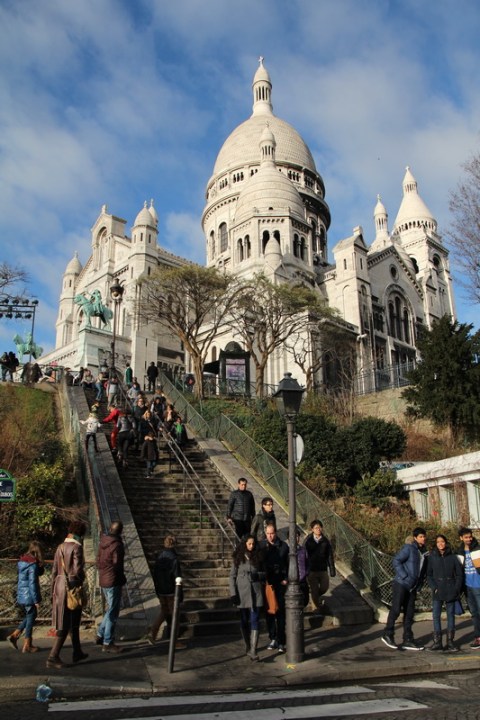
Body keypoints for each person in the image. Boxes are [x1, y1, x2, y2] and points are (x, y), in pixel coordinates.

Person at [47, 519, 89, 668]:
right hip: (71, 588)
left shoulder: (60, 547)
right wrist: (82, 579)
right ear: (81, 533)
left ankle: (77, 652)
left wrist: (53, 588)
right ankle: (53, 657)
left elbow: (53, 571)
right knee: (67, 623)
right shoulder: (77, 547)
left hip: (59, 586)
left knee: (71, 622)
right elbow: (77, 570)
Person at [382, 526, 428, 651]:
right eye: (420, 537)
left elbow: (422, 571)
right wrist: (404, 575)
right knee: (396, 609)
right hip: (401, 583)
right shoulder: (409, 548)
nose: (423, 539)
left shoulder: (423, 552)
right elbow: (396, 560)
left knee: (409, 613)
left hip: (412, 587)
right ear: (415, 538)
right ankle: (388, 633)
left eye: (424, 536)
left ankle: (408, 638)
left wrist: (418, 585)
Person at [229, 535, 265, 661]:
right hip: (242, 593)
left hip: (255, 592)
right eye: (249, 544)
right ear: (245, 544)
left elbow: (264, 573)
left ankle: (253, 650)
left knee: (255, 620)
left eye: (253, 544)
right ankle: (248, 645)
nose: (251, 546)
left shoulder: (258, 556)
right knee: (244, 620)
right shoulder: (238, 558)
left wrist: (258, 576)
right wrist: (233, 593)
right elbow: (232, 576)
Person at [426, 534, 463, 652]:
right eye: (438, 542)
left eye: (442, 541)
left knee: (450, 615)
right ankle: (437, 642)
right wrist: (434, 587)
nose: (440, 544)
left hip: (450, 589)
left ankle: (450, 642)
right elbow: (429, 575)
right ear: (435, 544)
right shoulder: (432, 557)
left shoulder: (452, 557)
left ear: (446, 543)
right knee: (436, 615)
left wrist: (456, 588)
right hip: (438, 589)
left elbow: (459, 574)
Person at [7, 541, 45, 653]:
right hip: (29, 595)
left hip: (22, 594)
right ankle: (27, 644)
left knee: (30, 616)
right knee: (31, 617)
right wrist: (36, 599)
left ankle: (15, 635)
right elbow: (32, 583)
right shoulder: (32, 564)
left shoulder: (22, 561)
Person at [96, 520, 126, 653]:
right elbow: (117, 565)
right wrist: (122, 578)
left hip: (103, 578)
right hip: (113, 580)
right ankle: (108, 642)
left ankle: (100, 634)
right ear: (121, 531)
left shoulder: (102, 542)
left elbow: (98, 560)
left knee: (110, 610)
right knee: (113, 612)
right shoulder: (117, 545)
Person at [259, 523, 288, 653]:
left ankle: (281, 640)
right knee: (270, 611)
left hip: (280, 582)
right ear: (265, 533)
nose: (270, 536)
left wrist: (286, 578)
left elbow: (288, 563)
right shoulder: (261, 546)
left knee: (281, 612)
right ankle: (273, 637)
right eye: (268, 533)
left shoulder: (283, 546)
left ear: (276, 533)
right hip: (268, 583)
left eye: (272, 533)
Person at [149, 535, 182, 643]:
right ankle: (174, 641)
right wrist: (180, 594)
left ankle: (153, 634)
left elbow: (155, 574)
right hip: (172, 591)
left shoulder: (160, 558)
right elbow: (177, 577)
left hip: (162, 590)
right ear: (174, 544)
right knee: (175, 615)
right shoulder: (174, 559)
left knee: (164, 612)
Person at [304, 519, 336, 613]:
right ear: (312, 529)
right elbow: (304, 555)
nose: (318, 529)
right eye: (316, 528)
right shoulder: (308, 541)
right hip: (312, 570)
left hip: (322, 569)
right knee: (314, 589)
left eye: (319, 527)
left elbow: (329, 556)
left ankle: (315, 598)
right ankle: (316, 608)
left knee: (324, 587)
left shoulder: (325, 541)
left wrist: (332, 570)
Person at [456, 526, 480, 649]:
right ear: (461, 538)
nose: (469, 539)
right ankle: (478, 638)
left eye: (470, 537)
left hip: (478, 585)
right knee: (474, 613)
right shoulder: (460, 551)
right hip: (467, 586)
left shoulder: (477, 548)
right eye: (466, 537)